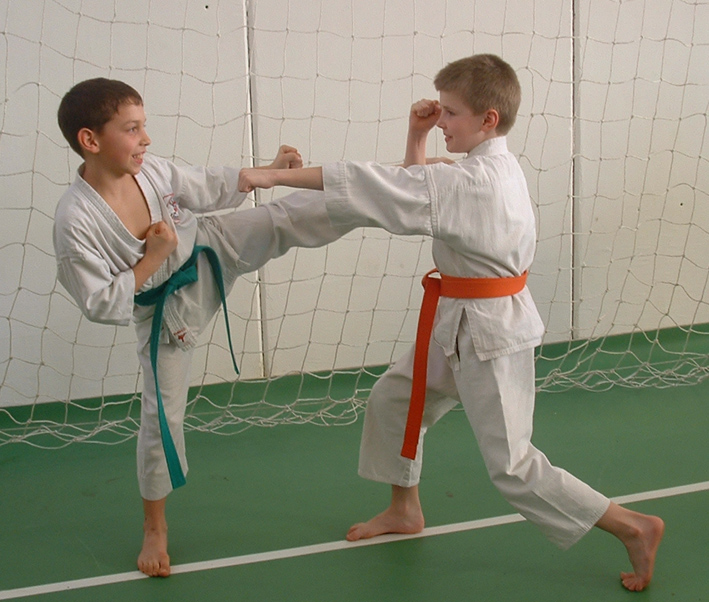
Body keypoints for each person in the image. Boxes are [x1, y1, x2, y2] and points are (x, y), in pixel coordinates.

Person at [237, 54, 665, 592]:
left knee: (513, 465)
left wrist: (272, 176)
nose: (442, 120)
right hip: (461, 320)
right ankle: (404, 509)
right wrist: (417, 136)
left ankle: (632, 526)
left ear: (488, 119)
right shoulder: (485, 169)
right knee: (396, 399)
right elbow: (415, 188)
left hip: (491, 333)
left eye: (451, 113)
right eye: (440, 111)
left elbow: (377, 184)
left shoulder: (474, 182)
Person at [53, 78, 344, 578]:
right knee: (161, 419)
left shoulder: (152, 170)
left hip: (210, 248)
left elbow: (208, 185)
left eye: (143, 126)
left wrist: (271, 172)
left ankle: (398, 185)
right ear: (90, 140)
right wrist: (154, 257)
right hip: (166, 315)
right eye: (132, 129)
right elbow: (99, 302)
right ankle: (155, 527)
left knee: (285, 218)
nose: (146, 139)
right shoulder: (75, 219)